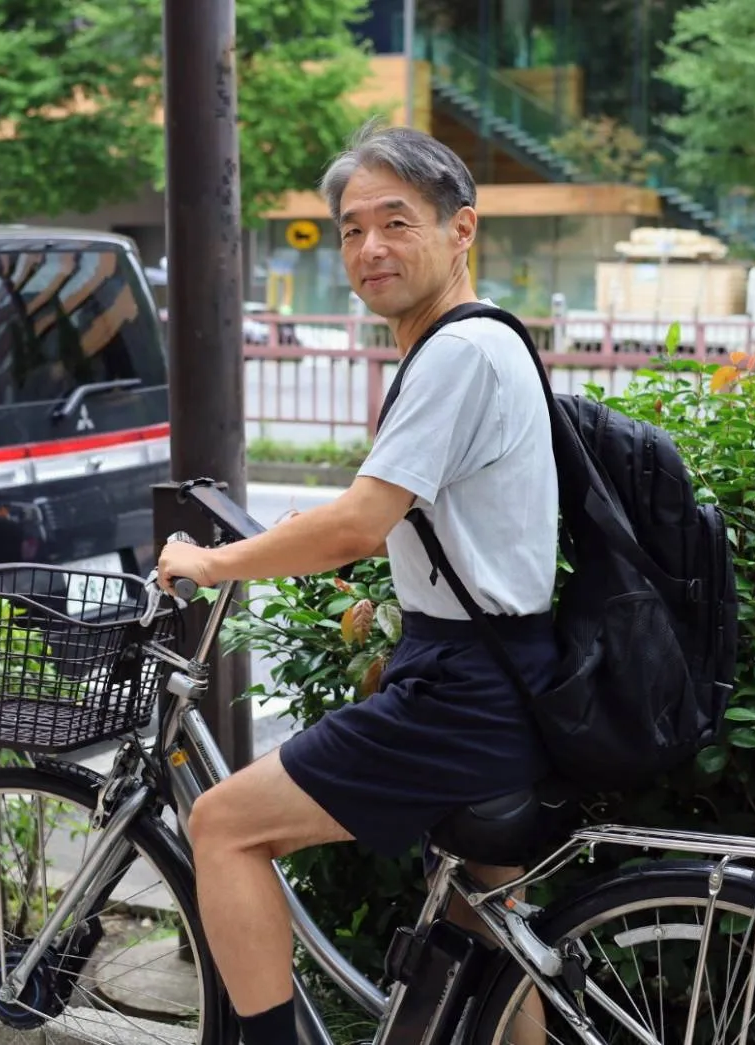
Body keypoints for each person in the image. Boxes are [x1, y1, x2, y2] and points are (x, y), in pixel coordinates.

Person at [157, 121, 560, 1045]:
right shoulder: (485, 339)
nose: (368, 247)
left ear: (462, 230)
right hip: (501, 674)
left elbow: (356, 526)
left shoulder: (456, 352)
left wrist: (211, 562)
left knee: (223, 826)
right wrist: (316, 530)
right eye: (349, 229)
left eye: (395, 222)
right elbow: (424, 518)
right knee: (489, 936)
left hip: (465, 690)